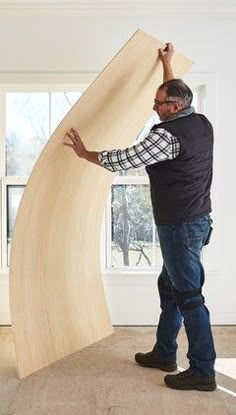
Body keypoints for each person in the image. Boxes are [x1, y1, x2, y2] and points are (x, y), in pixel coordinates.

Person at [64, 43, 216, 391]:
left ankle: (203, 371)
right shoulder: (200, 122)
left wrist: (86, 153)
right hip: (197, 221)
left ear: (174, 107)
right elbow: (175, 90)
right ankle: (165, 352)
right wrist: (167, 64)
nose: (154, 107)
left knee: (190, 296)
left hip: (179, 226)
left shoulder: (166, 136)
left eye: (159, 103)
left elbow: (127, 158)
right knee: (171, 287)